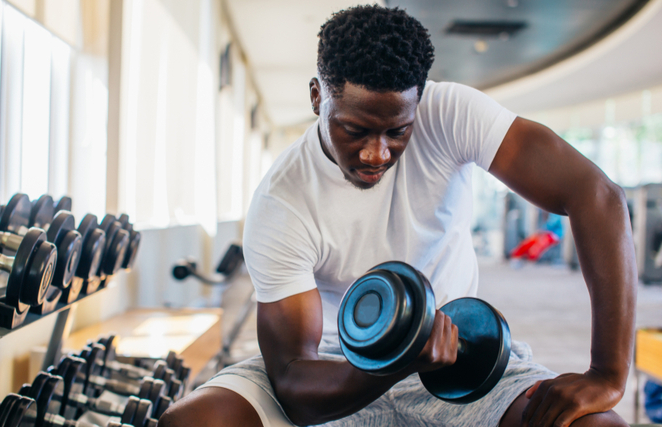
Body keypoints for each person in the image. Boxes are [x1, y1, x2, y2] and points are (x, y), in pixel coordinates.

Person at [160, 5, 636, 427]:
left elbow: (597, 197)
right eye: (354, 129)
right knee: (197, 419)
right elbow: (293, 384)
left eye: (397, 131)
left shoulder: (452, 113)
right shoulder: (282, 200)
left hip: (457, 356)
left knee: (598, 426)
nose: (376, 153)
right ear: (316, 98)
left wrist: (607, 373)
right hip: (332, 367)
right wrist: (400, 358)